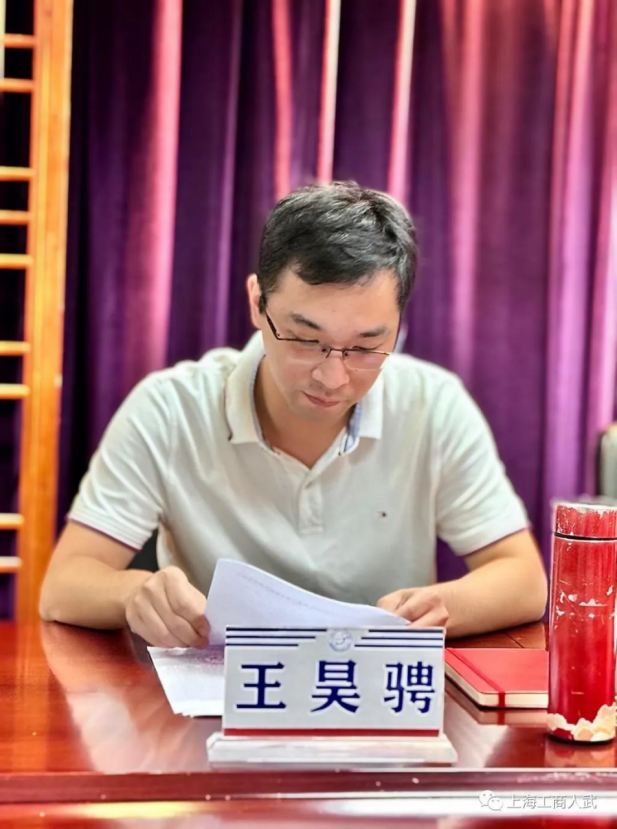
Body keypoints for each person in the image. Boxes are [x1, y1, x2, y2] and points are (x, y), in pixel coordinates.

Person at [40, 181, 547, 647]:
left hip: (373, 691)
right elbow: (65, 585)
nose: (333, 377)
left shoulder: (432, 406)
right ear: (257, 303)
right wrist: (135, 594)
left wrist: (442, 605)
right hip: (220, 692)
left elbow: (523, 578)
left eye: (366, 347)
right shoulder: (171, 409)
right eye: (305, 340)